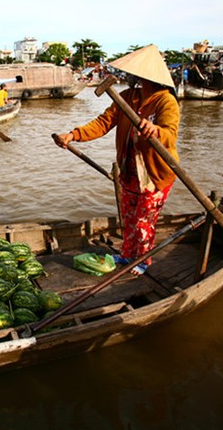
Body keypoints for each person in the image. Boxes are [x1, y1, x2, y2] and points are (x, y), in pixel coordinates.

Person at [55, 44, 180, 274]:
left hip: (154, 173)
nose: (134, 77)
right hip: (129, 169)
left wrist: (155, 130)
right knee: (129, 217)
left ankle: (143, 261)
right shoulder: (128, 97)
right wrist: (73, 135)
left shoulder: (166, 101)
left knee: (144, 220)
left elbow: (170, 134)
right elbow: (103, 123)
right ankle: (127, 255)